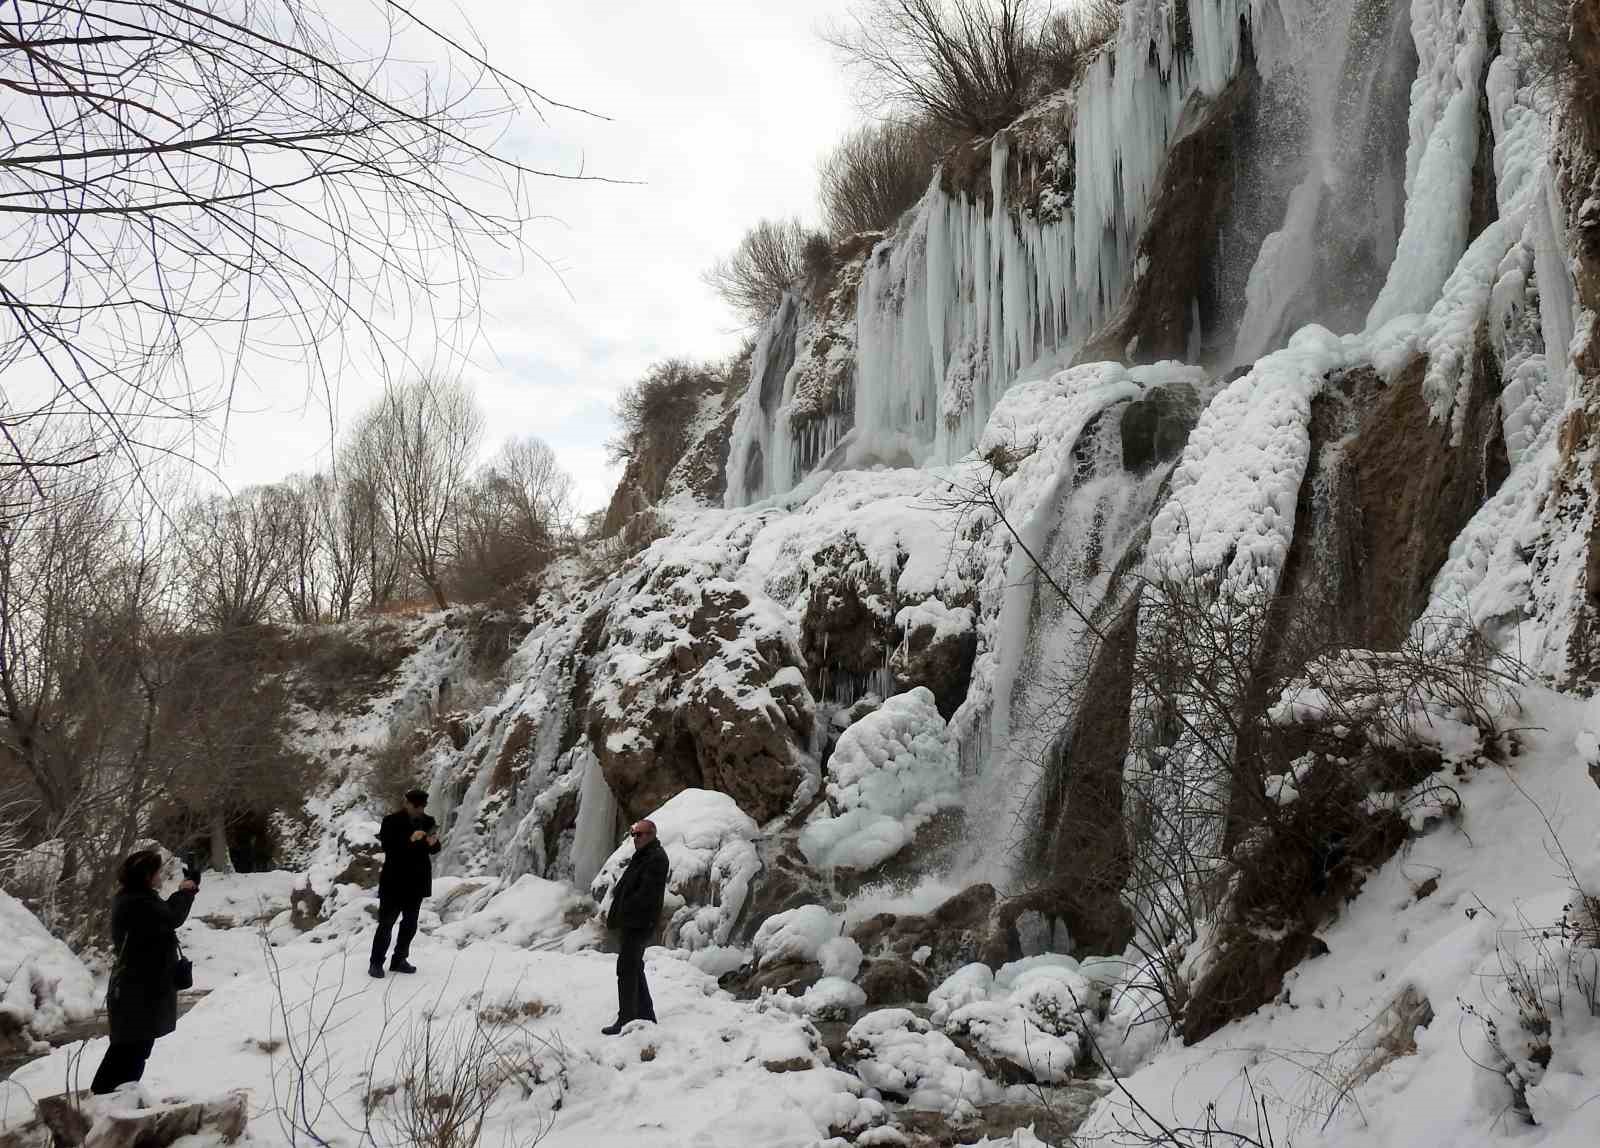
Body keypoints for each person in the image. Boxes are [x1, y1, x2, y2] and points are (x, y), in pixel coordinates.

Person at [91, 850, 199, 1094]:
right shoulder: (137, 902)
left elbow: (166, 914)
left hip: (137, 992)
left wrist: (186, 890)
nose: (160, 876)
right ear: (147, 876)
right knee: (128, 1052)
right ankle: (107, 1101)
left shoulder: (135, 898)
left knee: (132, 1051)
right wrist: (186, 891)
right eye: (157, 872)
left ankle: (114, 1099)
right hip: (135, 994)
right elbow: (170, 916)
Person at [601, 819, 669, 1035]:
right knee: (634, 967)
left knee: (626, 969)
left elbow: (646, 895)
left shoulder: (656, 858)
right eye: (634, 835)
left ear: (651, 835)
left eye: (640, 835)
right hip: (632, 922)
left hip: (639, 923)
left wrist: (626, 910)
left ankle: (627, 1018)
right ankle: (646, 1014)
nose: (635, 839)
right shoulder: (644, 856)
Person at [369, 788, 441, 978]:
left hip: (417, 881)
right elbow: (389, 847)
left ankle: (399, 959)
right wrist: (410, 839)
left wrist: (433, 843)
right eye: (416, 806)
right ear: (407, 803)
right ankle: (376, 963)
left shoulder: (429, 821)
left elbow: (434, 850)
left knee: (410, 924)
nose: (419, 810)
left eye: (422, 806)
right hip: (394, 880)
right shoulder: (391, 821)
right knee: (386, 923)